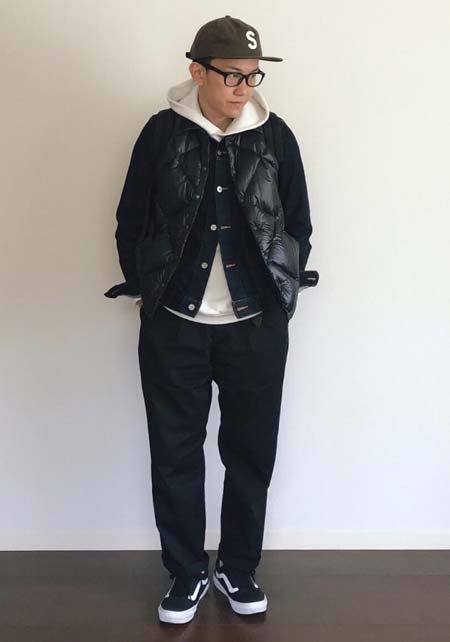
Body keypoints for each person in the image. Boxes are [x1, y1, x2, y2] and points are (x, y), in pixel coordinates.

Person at [104, 14, 316, 625]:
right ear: (197, 71)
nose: (244, 87)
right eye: (232, 75)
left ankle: (238, 569)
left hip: (257, 325)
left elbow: (298, 223)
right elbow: (131, 219)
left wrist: (282, 291)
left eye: (253, 75)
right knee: (174, 452)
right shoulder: (161, 133)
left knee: (250, 452)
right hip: (174, 323)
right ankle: (187, 571)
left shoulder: (276, 137)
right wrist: (148, 288)